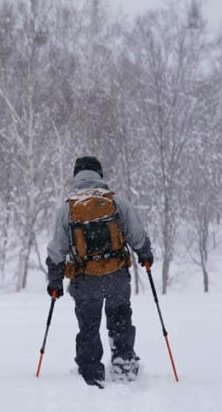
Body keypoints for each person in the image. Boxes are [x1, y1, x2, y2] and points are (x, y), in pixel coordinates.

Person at [46, 156, 153, 387]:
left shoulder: (68, 208)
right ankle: (124, 363)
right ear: (99, 175)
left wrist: (54, 281)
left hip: (85, 280)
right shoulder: (117, 202)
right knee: (120, 319)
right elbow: (137, 235)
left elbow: (57, 250)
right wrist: (145, 254)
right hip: (116, 276)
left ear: (76, 176)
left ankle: (91, 371)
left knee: (88, 325)